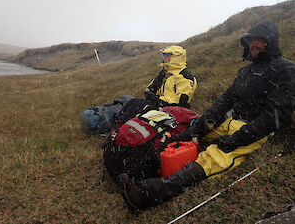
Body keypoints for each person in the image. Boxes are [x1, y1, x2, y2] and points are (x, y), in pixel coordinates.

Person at [117, 20, 295, 210]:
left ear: (271, 40)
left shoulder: (286, 69)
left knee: (213, 156)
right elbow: (226, 100)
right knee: (186, 135)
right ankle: (142, 169)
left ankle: (149, 194)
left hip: (257, 130)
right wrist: (205, 122)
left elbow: (275, 116)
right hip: (230, 121)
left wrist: (236, 139)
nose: (253, 44)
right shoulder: (246, 70)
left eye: (258, 40)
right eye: (250, 40)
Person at [117, 45, 197, 123]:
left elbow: (181, 101)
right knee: (133, 102)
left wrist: (157, 100)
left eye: (168, 55)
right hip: (160, 104)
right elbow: (150, 88)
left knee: (143, 107)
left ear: (176, 58)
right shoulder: (166, 72)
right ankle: (119, 123)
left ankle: (125, 128)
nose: (164, 58)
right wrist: (152, 90)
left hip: (173, 110)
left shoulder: (185, 76)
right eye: (164, 55)